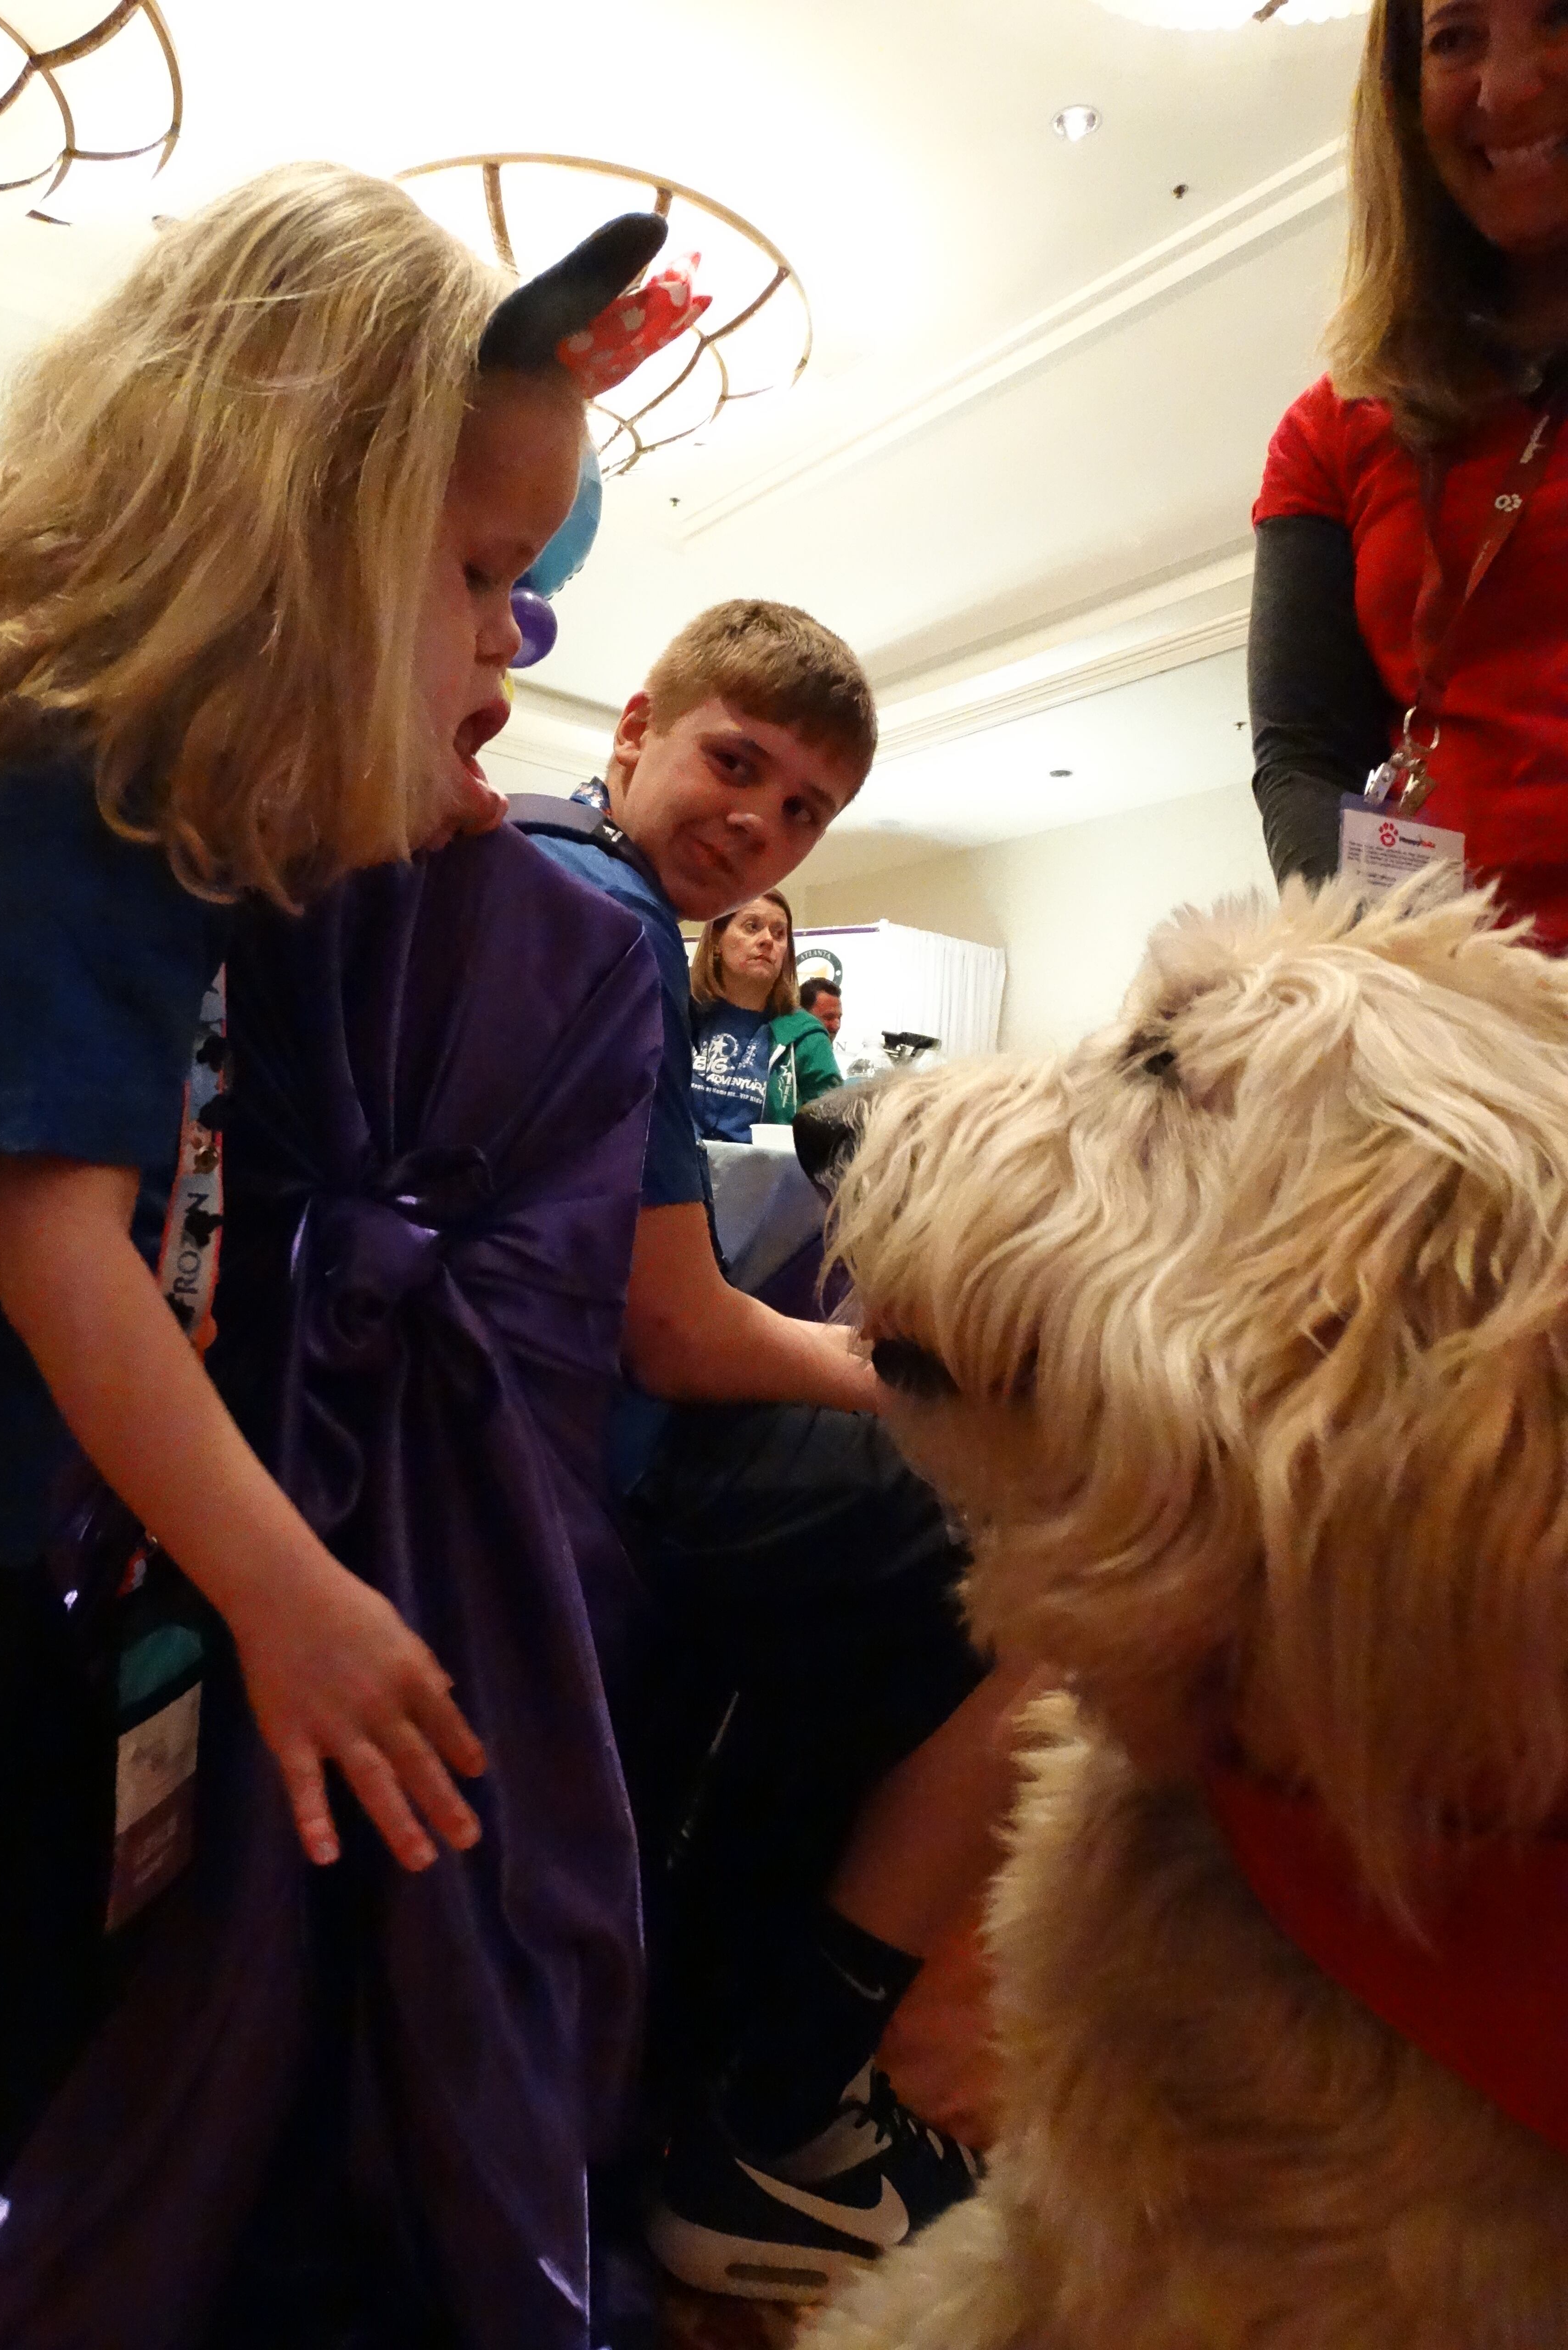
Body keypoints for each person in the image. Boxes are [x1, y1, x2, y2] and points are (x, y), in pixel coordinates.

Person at [0, 163, 632, 2350]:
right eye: (471, 581)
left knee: (71, 1929)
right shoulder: (25, 761)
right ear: (302, 532)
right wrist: (298, 1599)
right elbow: (60, 1248)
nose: (503, 644)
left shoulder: (117, 766)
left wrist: (429, 766)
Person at [518, 601, 1025, 2307]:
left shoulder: (524, 866)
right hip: (601, 1457)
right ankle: (785, 2097)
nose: (760, 826)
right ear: (637, 725)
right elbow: (681, 1332)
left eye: (804, 810)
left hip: (525, 1433)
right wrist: (942, 1394)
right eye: (737, 764)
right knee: (1028, 1563)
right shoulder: (611, 938)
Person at [1250, 0, 1568, 946]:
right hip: (1454, 1040)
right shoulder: (1325, 430)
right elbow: (1305, 760)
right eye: (1452, 39)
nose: (1507, 88)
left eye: (1556, 17)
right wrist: (1408, 993)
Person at [688, 890, 842, 1139]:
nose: (768, 940)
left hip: (763, 1176)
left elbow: (833, 1137)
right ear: (717, 940)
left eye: (779, 933)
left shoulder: (807, 1037)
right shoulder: (677, 1013)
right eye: (752, 927)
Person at [800, 975, 844, 1044]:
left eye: (839, 1018)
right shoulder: (780, 1051)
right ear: (802, 1016)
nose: (837, 1026)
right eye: (829, 1017)